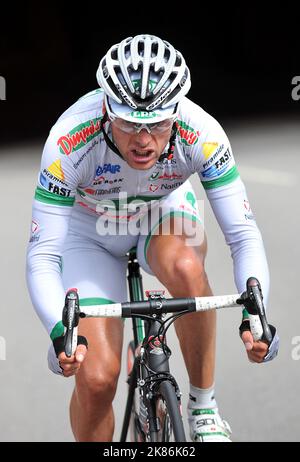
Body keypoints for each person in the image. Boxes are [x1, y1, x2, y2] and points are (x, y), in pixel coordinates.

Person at [26, 34, 278, 442]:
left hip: (161, 215)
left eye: (158, 124)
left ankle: (204, 407)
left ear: (177, 113)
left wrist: (257, 316)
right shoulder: (69, 139)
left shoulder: (202, 132)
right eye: (129, 124)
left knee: (185, 266)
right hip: (89, 235)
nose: (143, 140)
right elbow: (43, 254)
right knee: (96, 380)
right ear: (107, 109)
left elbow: (244, 236)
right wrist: (60, 331)